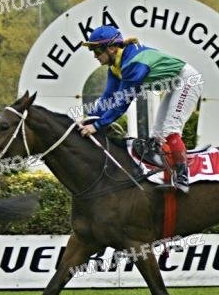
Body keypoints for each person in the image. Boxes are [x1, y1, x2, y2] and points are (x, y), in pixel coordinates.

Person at [78, 25, 203, 193]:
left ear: (112, 48)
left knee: (170, 129)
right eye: (92, 51)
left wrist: (97, 125)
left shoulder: (133, 64)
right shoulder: (115, 66)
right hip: (175, 84)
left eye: (97, 50)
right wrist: (89, 118)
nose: (95, 55)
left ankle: (182, 180)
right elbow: (108, 98)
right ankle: (164, 172)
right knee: (158, 134)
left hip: (188, 80)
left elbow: (122, 102)